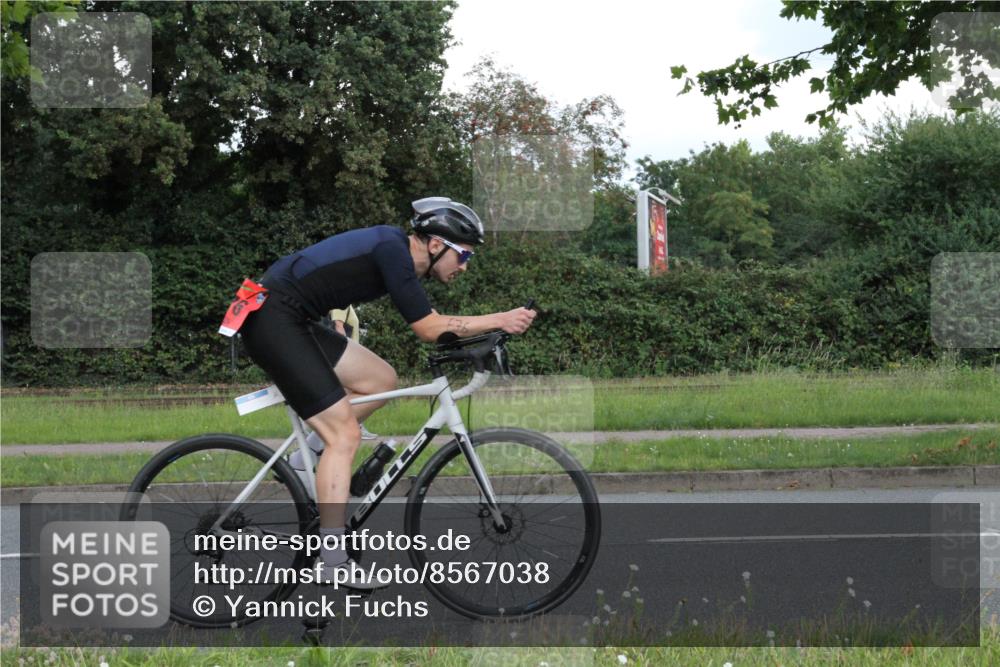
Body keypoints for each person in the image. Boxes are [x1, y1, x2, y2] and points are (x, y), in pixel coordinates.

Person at [235, 197, 536, 589]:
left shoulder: (399, 257)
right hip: (272, 319)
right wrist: (500, 319)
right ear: (434, 244)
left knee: (380, 379)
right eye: (463, 255)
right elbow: (429, 328)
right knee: (344, 434)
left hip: (290, 317)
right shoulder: (392, 251)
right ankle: (332, 560)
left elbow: (436, 327)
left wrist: (488, 332)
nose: (464, 266)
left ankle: (305, 456)